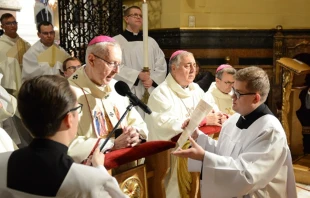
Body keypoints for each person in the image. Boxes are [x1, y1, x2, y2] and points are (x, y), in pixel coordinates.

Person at [173, 66, 297, 198]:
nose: (232, 96)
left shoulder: (270, 131)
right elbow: (225, 152)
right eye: (233, 90)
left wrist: (205, 157)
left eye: (238, 93)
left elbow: (246, 176)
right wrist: (198, 137)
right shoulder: (234, 119)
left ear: (255, 98)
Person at [0, 75, 128, 198]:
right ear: (69, 119)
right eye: (78, 108)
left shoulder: (2, 164)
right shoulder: (94, 182)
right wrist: (99, 170)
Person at [145, 50, 221, 198]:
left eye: (194, 65)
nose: (193, 70)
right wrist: (202, 121)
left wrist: (220, 116)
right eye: (187, 66)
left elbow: (211, 109)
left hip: (195, 144)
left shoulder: (195, 89)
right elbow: (166, 124)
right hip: (171, 155)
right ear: (174, 68)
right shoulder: (161, 93)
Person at [68, 35, 148, 164]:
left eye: (119, 64)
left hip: (126, 168)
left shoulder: (117, 88)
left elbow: (137, 122)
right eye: (112, 63)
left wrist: (136, 134)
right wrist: (111, 145)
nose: (117, 71)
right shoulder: (67, 93)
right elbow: (66, 143)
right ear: (91, 60)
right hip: (91, 174)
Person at [113, 6, 167, 118]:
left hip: (150, 89)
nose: (138, 17)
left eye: (140, 15)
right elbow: (115, 66)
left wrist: (152, 79)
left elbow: (161, 64)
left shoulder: (151, 42)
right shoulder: (117, 41)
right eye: (135, 15)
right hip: (132, 90)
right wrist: (137, 75)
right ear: (126, 19)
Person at [0, 13, 31, 96]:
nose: (12, 25)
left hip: (26, 85)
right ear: (2, 26)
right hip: (6, 88)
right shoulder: (1, 45)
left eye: (14, 23)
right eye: (8, 23)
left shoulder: (25, 45)